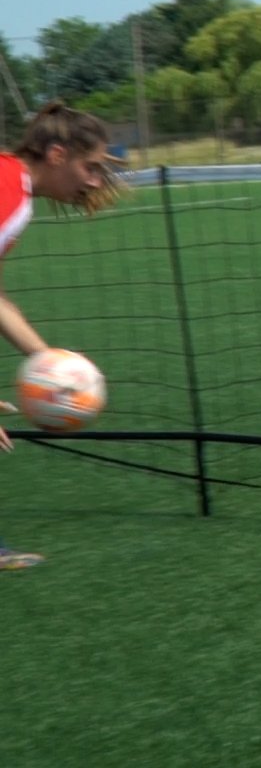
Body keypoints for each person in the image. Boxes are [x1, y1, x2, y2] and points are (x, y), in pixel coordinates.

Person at [0, 103, 125, 570]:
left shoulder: (13, 188)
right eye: (89, 167)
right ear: (56, 154)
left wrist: (47, 361)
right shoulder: (8, 192)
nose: (95, 182)